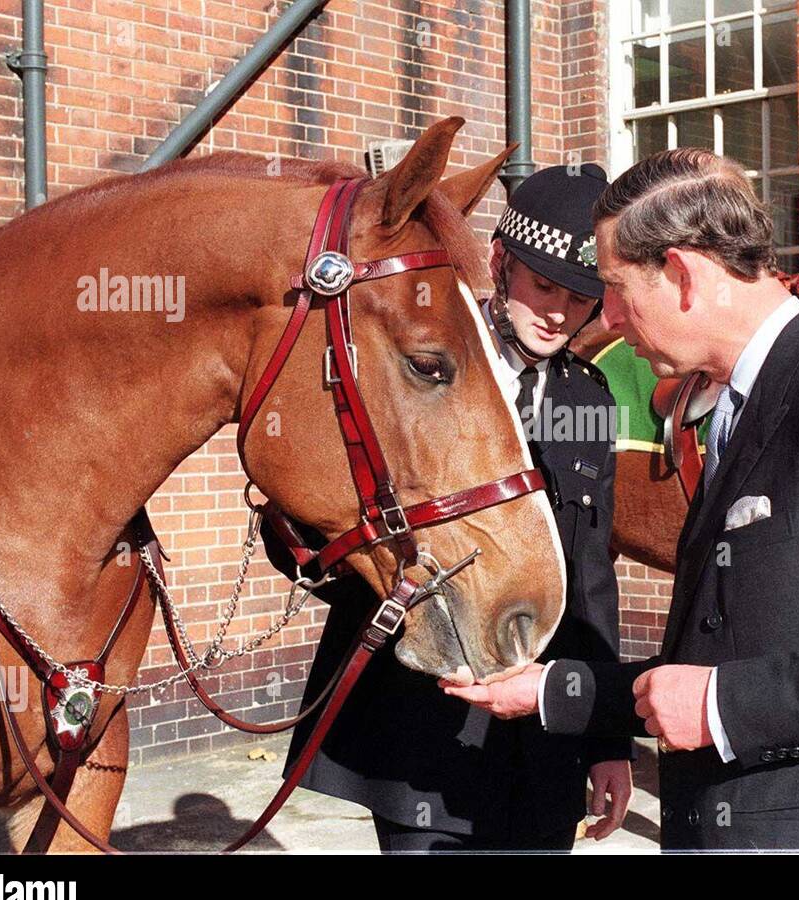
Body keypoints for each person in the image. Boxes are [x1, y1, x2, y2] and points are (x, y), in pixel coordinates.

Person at [445, 148, 799, 850]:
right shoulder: (743, 399)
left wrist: (721, 705)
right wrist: (552, 690)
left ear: (681, 273)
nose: (608, 318)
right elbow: (728, 648)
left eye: (615, 288)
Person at [263, 163, 632, 852]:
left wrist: (606, 737)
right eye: (544, 285)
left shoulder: (589, 398)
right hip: (420, 731)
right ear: (500, 261)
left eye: (581, 298)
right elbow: (331, 529)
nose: (559, 312)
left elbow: (590, 578)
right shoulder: (418, 366)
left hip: (543, 743)